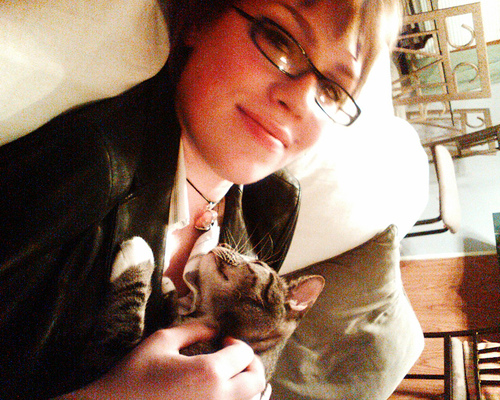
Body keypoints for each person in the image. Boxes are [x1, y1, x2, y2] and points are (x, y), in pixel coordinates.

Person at [0, 0, 401, 399]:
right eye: (280, 40)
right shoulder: (86, 168)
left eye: (331, 90)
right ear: (200, 19)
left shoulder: (273, 207)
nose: (300, 100)